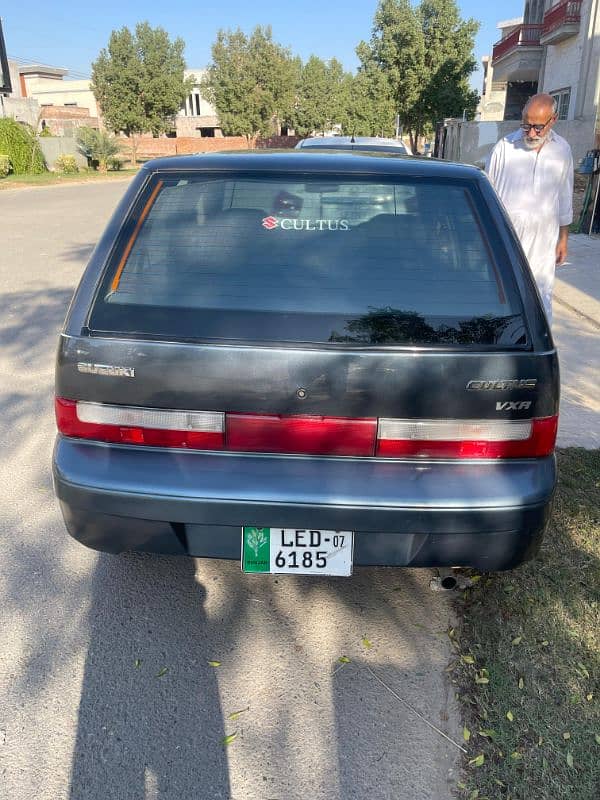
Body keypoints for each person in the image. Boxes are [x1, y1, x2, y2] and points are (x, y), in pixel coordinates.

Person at [486, 93, 573, 323]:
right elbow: (487, 195)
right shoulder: (504, 149)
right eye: (526, 126)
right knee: (504, 298)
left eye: (537, 127)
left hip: (543, 242)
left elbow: (564, 196)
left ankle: (540, 350)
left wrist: (563, 238)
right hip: (506, 241)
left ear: (552, 121)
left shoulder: (562, 150)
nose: (531, 133)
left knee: (540, 297)